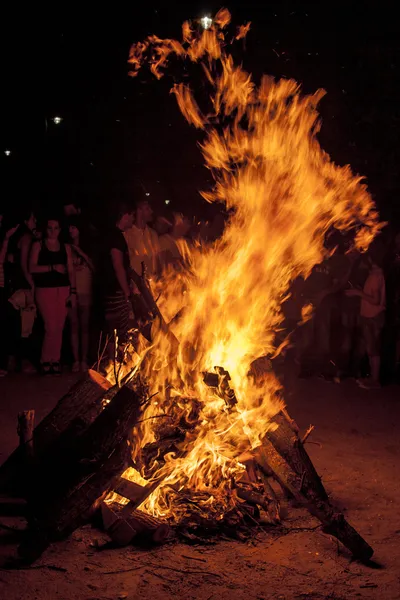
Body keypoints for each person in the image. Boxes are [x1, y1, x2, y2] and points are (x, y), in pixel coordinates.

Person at [30, 217, 76, 375]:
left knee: (59, 326)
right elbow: (32, 267)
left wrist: (73, 291)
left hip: (63, 289)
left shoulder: (65, 247)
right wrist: (52, 267)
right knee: (50, 325)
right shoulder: (38, 245)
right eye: (50, 228)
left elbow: (70, 270)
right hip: (45, 289)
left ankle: (54, 360)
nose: (53, 231)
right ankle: (46, 359)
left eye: (56, 228)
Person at [345, 244, 386, 388]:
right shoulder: (377, 274)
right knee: (370, 348)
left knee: (373, 348)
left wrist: (358, 293)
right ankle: (370, 377)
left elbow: (375, 300)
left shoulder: (376, 276)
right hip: (370, 316)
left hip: (373, 316)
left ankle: (375, 380)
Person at [4, 208, 37, 372]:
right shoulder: (26, 238)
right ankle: (21, 361)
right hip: (22, 286)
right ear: (26, 221)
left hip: (15, 284)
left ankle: (14, 360)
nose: (35, 221)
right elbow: (25, 264)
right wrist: (31, 283)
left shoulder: (16, 238)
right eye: (33, 218)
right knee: (25, 324)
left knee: (17, 323)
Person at [102, 202, 135, 358]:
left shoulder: (113, 235)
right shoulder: (115, 237)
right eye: (132, 215)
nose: (133, 219)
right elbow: (118, 265)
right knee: (118, 329)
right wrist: (126, 291)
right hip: (115, 291)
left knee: (114, 329)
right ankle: (116, 363)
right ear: (125, 215)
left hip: (112, 289)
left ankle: (114, 362)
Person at [68, 217, 95, 372]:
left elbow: (94, 267)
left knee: (84, 326)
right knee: (73, 325)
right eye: (70, 228)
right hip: (72, 291)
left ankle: (84, 359)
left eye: (74, 227)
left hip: (86, 290)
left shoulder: (87, 248)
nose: (71, 231)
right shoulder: (66, 248)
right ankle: (75, 360)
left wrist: (81, 253)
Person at [124, 199, 160, 277]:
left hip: (153, 284)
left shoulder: (153, 234)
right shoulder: (128, 234)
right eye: (147, 209)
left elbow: (157, 260)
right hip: (135, 285)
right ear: (139, 211)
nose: (151, 211)